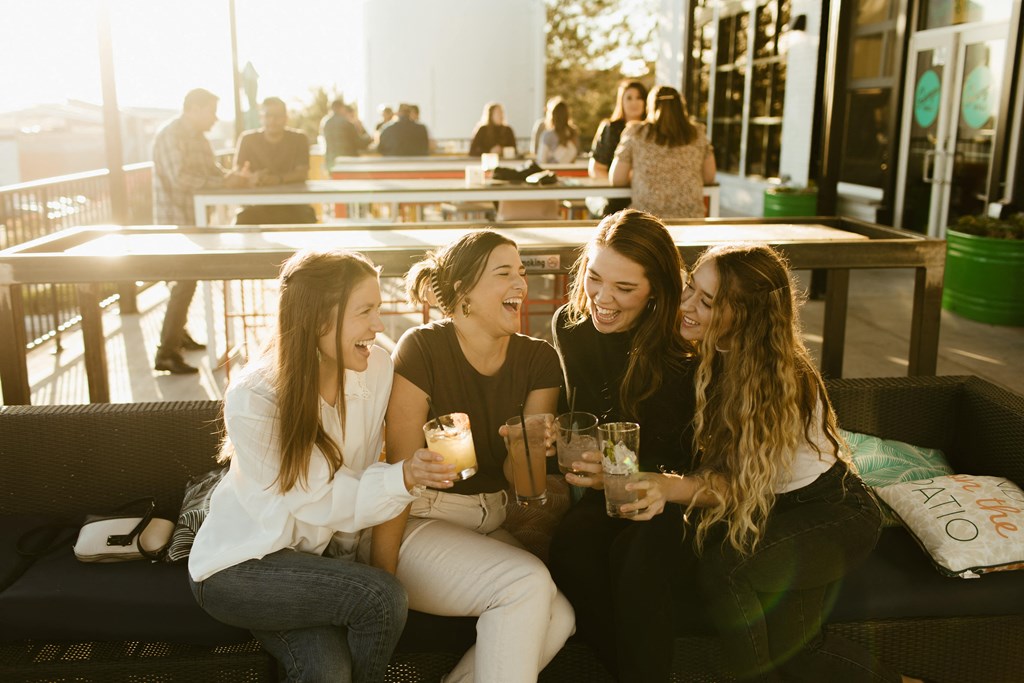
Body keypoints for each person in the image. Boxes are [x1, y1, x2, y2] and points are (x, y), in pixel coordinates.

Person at [622, 244, 917, 682]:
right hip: (781, 512)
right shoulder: (718, 350)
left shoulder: (780, 383)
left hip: (831, 515)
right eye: (690, 289)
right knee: (801, 653)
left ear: (745, 315)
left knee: (726, 570)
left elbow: (737, 486)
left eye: (706, 301)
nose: (686, 305)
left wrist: (667, 487)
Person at [188, 248, 456, 683]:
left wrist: (350, 562)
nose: (379, 326)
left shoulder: (376, 368)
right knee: (381, 598)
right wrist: (403, 477)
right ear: (318, 320)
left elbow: (362, 466)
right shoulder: (255, 398)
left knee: (327, 671)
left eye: (378, 309)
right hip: (242, 567)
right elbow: (314, 499)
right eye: (365, 311)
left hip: (317, 571)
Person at [370, 230, 575, 682]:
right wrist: (381, 577)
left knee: (560, 617)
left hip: (489, 520)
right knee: (525, 584)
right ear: (464, 292)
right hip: (417, 523)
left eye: (522, 272)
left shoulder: (539, 359)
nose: (521, 284)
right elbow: (396, 477)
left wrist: (524, 447)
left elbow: (527, 489)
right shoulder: (422, 349)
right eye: (504, 273)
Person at [547, 209, 698, 682]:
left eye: (624, 289)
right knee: (571, 547)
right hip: (608, 489)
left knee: (637, 556)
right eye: (594, 278)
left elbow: (684, 449)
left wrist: (619, 470)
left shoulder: (683, 340)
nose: (602, 299)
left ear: (658, 288)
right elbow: (590, 414)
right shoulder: (571, 325)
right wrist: (557, 437)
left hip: (675, 490)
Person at [151, 87, 254, 374]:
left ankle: (177, 337)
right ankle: (166, 352)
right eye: (211, 110)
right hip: (176, 219)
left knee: (186, 280)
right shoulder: (171, 135)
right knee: (183, 281)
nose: (215, 118)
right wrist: (224, 183)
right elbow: (180, 178)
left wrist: (232, 179)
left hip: (194, 219)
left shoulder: (198, 139)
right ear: (194, 108)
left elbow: (211, 173)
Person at [610, 85, 716, 219]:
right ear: (681, 107)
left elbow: (617, 179)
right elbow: (709, 177)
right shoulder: (698, 133)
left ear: (651, 106)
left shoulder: (635, 132)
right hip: (690, 219)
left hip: (646, 221)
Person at [234, 97, 316, 225]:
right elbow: (238, 170)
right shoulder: (247, 139)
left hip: (293, 204)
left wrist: (277, 179)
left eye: (277, 116)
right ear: (261, 118)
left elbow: (302, 173)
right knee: (242, 221)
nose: (272, 120)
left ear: (285, 118)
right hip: (256, 204)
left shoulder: (299, 138)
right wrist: (252, 178)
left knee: (307, 220)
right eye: (268, 116)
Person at [588, 79, 648, 216]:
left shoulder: (652, 131)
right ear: (621, 101)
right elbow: (596, 168)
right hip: (615, 197)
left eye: (639, 98)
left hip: (646, 195)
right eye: (629, 98)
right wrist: (619, 185)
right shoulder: (610, 128)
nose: (634, 102)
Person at [321, 98, 371, 169]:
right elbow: (359, 143)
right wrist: (369, 138)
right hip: (347, 162)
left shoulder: (326, 123)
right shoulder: (346, 123)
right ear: (341, 108)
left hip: (331, 162)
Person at [536, 97, 580, 164]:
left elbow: (541, 160)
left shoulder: (547, 136)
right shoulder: (573, 134)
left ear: (552, 116)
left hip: (551, 172)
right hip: (569, 172)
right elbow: (574, 159)